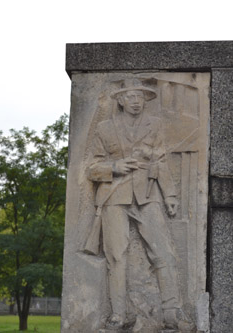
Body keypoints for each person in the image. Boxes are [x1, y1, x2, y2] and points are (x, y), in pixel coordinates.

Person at [86, 78, 189, 330]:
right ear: (120, 100)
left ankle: (171, 312)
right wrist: (114, 167)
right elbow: (90, 169)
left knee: (163, 252)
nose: (136, 102)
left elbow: (161, 161)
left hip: (147, 193)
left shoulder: (154, 125)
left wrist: (170, 196)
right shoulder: (104, 128)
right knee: (116, 256)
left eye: (140, 97)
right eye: (131, 97)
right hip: (114, 195)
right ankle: (119, 314)